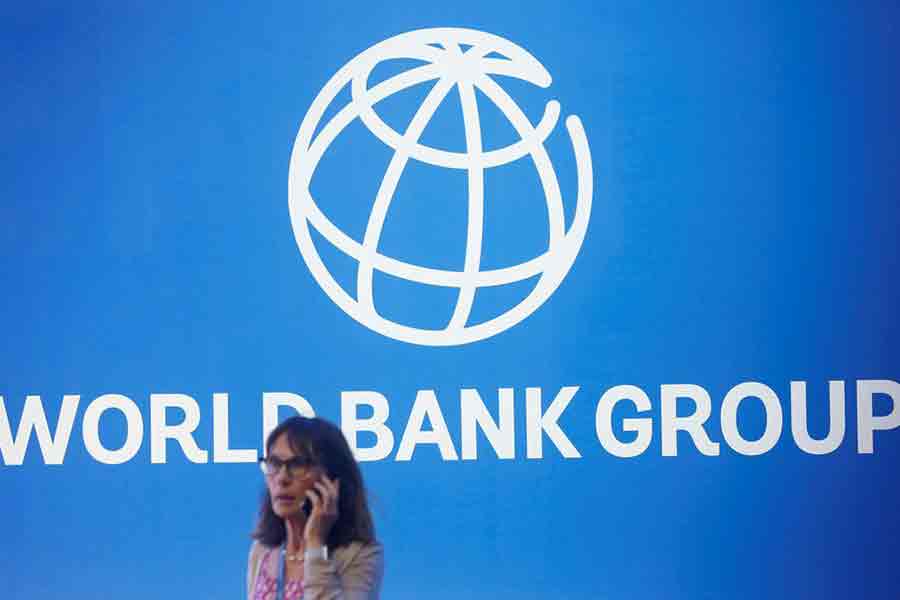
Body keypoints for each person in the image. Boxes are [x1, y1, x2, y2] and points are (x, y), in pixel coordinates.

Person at [247, 416, 383, 599]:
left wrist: (315, 544)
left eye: (297, 465)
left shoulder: (360, 555)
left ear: (331, 480)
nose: (282, 478)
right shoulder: (263, 550)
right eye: (275, 464)